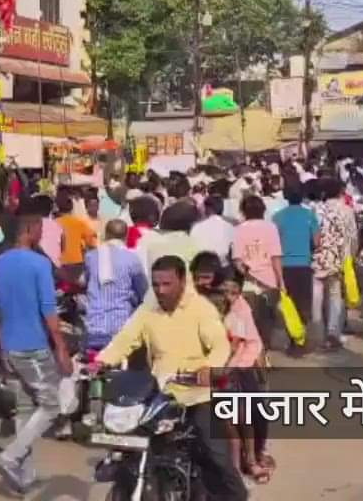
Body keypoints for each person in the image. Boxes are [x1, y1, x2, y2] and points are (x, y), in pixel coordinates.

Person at [94, 256, 247, 501]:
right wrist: (101, 361)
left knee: (216, 455)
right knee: (127, 446)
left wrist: (209, 368)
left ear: (182, 281)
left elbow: (219, 346)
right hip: (158, 395)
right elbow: (125, 339)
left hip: (196, 394)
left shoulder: (201, 309)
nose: (160, 290)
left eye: (167, 284)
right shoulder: (147, 310)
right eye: (155, 284)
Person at [0, 214, 73, 494]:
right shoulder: (38, 263)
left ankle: (23, 476)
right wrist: (61, 347)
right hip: (32, 346)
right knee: (51, 405)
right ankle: (11, 456)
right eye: (39, 228)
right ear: (29, 230)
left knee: (25, 407)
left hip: (9, 345)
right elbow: (48, 307)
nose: (41, 234)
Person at [219, 268, 274, 485]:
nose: (228, 296)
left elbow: (235, 345)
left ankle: (253, 458)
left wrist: (221, 367)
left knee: (247, 415)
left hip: (241, 365)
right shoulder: (219, 306)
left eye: (233, 292)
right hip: (228, 366)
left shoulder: (240, 310)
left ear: (239, 292)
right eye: (224, 291)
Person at [84, 219, 148, 351]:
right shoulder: (132, 258)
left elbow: (85, 281)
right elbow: (144, 292)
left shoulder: (91, 256)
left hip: (94, 326)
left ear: (106, 234)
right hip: (121, 327)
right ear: (126, 236)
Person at [273, 182, 320, 355]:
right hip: (304, 264)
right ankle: (300, 340)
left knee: (288, 304)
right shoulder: (310, 215)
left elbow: (274, 242)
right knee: (303, 303)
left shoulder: (277, 217)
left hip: (284, 266)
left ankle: (293, 339)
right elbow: (316, 242)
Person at [232, 195, 284, 348]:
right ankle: (264, 354)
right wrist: (281, 281)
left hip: (249, 283)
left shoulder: (239, 229)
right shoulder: (271, 227)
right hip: (270, 282)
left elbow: (237, 260)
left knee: (250, 322)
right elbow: (276, 257)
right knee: (267, 322)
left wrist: (246, 273)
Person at [313, 177, 357, 351]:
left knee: (317, 297)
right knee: (335, 296)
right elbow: (352, 236)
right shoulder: (347, 211)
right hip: (338, 258)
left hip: (317, 258)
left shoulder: (316, 209)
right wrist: (351, 256)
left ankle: (316, 331)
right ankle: (333, 333)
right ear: (340, 192)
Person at [54, 194, 97, 276]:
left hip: (59, 263)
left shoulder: (54, 223)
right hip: (77, 262)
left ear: (58, 208)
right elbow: (91, 242)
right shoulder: (79, 223)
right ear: (72, 207)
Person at [192, 195, 236, 262]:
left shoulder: (197, 226)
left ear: (208, 208)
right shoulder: (230, 226)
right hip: (224, 264)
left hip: (205, 265)